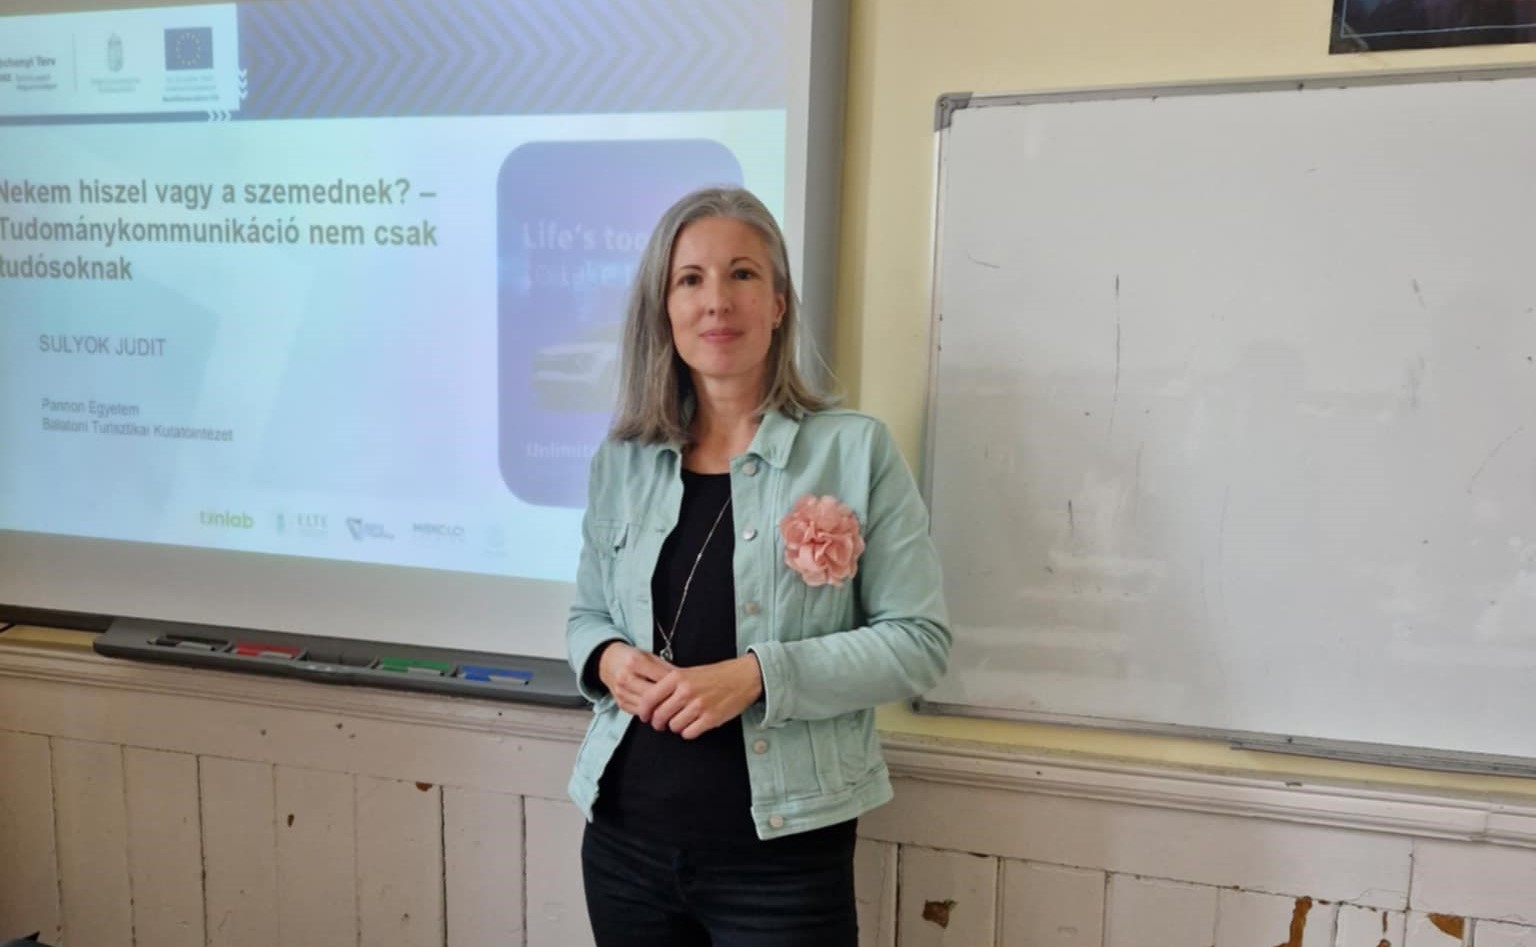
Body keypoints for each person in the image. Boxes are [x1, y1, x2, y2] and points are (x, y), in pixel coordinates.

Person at [565, 186, 952, 947]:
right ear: (665, 310)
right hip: (624, 845)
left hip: (783, 862)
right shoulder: (622, 460)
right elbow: (587, 616)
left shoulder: (854, 451)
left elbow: (919, 642)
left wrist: (757, 676)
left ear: (777, 304)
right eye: (690, 279)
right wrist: (606, 657)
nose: (717, 300)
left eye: (742, 274)